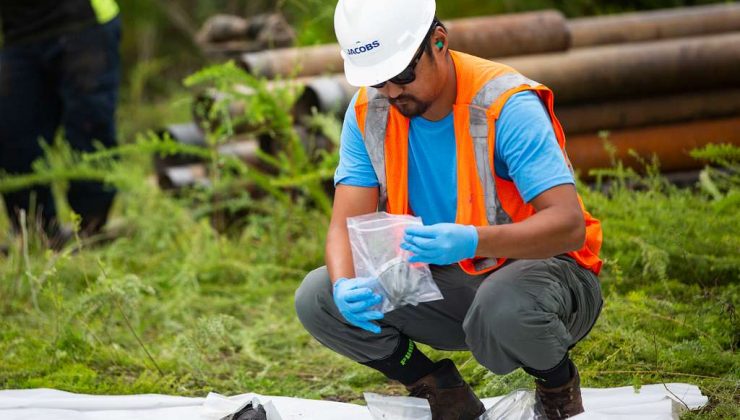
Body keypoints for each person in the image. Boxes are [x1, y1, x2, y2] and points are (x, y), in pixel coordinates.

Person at [295, 0, 603, 418]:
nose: (391, 92)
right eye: (378, 80)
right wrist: (345, 283)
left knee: (503, 307)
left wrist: (473, 239)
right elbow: (344, 226)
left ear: (438, 42)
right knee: (319, 295)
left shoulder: (505, 105)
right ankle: (441, 391)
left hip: (546, 276)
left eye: (402, 74)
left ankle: (557, 386)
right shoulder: (371, 113)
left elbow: (568, 227)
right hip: (449, 283)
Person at [0, 0, 121, 241]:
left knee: (89, 126)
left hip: (84, 23)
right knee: (11, 132)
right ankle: (36, 233)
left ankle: (91, 229)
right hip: (19, 34)